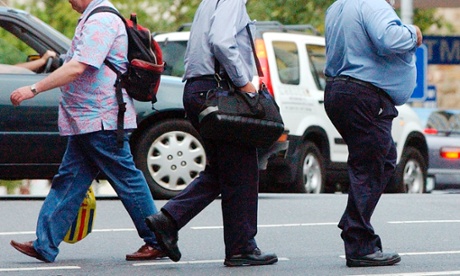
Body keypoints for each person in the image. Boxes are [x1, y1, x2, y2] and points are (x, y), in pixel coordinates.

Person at [9, 0, 165, 263]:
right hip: (87, 119)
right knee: (69, 180)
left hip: (101, 118)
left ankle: (159, 239)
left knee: (127, 179)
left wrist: (33, 89)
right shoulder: (93, 18)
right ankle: (44, 244)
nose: (68, 0)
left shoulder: (101, 21)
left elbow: (79, 66)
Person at [144, 0, 278, 267]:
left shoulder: (210, 2)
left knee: (223, 171)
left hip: (200, 91)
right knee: (242, 172)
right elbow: (221, 41)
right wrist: (246, 84)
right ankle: (241, 248)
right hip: (218, 92)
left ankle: (168, 220)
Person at [324, 0, 423, 268]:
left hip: (339, 91)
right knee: (371, 164)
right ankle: (359, 244)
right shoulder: (373, 3)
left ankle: (354, 222)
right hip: (365, 95)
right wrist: (413, 32)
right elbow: (389, 38)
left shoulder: (337, 7)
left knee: (382, 157)